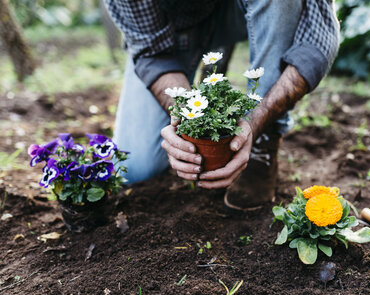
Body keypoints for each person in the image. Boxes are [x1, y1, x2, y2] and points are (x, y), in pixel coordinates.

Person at [105, 0, 340, 211]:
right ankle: (217, 52)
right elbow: (151, 51)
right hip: (176, 25)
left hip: (245, 11)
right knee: (136, 168)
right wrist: (185, 113)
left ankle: (263, 145)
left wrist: (255, 122)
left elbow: (316, 41)